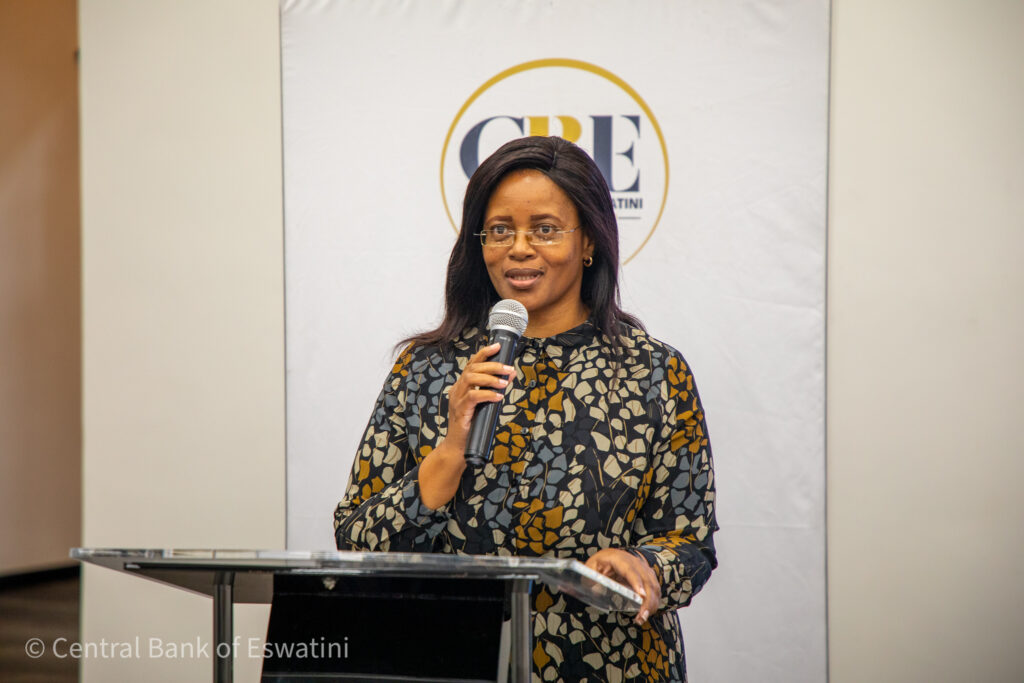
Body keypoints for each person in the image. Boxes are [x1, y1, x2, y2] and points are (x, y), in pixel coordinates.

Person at [334, 136, 717, 681]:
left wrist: (644, 566)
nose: (518, 248)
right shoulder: (427, 370)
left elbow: (692, 545)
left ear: (588, 242)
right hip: (453, 661)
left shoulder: (655, 373)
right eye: (499, 230)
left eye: (545, 229)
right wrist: (449, 454)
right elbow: (355, 540)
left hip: (610, 664)